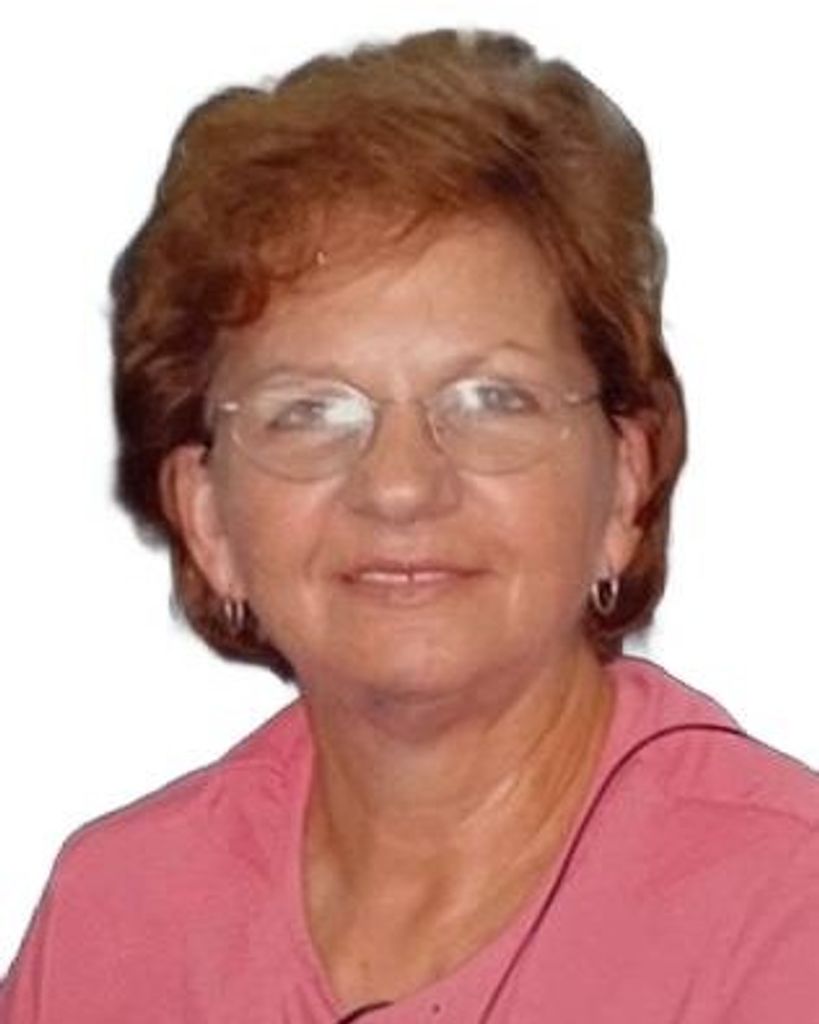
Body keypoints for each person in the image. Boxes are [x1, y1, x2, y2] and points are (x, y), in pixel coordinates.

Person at [2, 27, 817, 1024]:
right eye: (310, 411)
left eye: (489, 399)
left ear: (624, 483)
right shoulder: (115, 916)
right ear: (206, 515)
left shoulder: (787, 910)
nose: (398, 487)